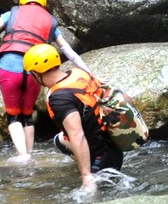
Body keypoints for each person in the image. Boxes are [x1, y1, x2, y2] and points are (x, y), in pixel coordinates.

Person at [0, 0, 90, 161]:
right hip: (35, 71)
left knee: (13, 116)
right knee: (27, 115)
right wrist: (88, 73)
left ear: (22, 1)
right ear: (44, 4)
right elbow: (70, 53)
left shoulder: (12, 14)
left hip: (10, 67)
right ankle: (31, 153)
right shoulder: (50, 21)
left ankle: (23, 156)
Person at [23, 43, 121, 193]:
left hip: (102, 157)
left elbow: (77, 135)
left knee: (91, 197)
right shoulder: (78, 73)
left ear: (36, 73)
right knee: (59, 140)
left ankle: (90, 170)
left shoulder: (60, 98)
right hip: (114, 144)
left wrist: (86, 176)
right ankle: (84, 162)